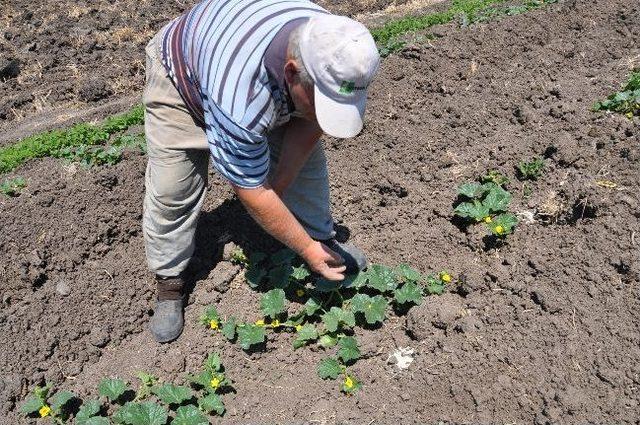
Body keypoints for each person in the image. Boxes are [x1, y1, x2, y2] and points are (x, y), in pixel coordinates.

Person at [142, 0, 380, 343]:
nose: (325, 111)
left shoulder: (335, 45)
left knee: (306, 165)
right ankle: (169, 284)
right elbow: (250, 187)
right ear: (292, 73)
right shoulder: (242, 97)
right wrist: (303, 249)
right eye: (322, 100)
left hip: (244, 59)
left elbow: (313, 123)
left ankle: (322, 238)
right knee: (173, 190)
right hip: (182, 76)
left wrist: (279, 188)